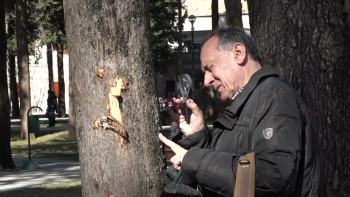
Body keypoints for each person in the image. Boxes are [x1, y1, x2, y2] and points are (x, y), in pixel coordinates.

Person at [159, 27, 325, 196]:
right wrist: (199, 138)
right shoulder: (248, 102)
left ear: (238, 53)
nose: (206, 80)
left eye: (209, 68)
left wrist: (194, 160)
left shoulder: (274, 97)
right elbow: (233, 165)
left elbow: (270, 177)